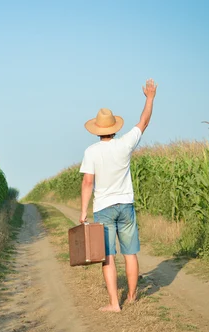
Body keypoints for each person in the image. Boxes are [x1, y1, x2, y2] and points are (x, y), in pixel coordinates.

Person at [79, 79, 157, 312]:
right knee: (130, 253)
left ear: (97, 130)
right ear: (114, 128)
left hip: (104, 207)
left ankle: (115, 303)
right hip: (126, 205)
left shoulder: (91, 152)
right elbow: (143, 122)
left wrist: (83, 211)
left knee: (108, 257)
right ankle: (132, 297)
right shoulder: (125, 144)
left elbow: (88, 182)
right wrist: (150, 98)